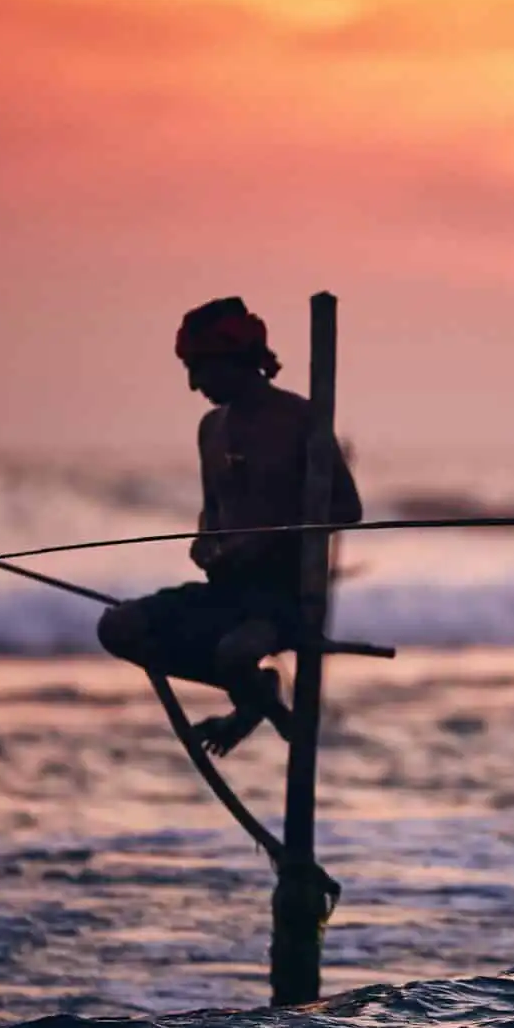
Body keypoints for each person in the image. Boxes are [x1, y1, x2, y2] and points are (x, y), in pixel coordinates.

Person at [97, 297, 362, 755]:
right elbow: (212, 512)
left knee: (235, 653)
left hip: (283, 600)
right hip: (225, 595)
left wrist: (267, 541)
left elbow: (346, 507)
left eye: (200, 368)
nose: (193, 383)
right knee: (117, 627)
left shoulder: (300, 418)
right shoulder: (209, 429)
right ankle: (259, 698)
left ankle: (256, 705)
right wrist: (206, 543)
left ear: (237, 361)